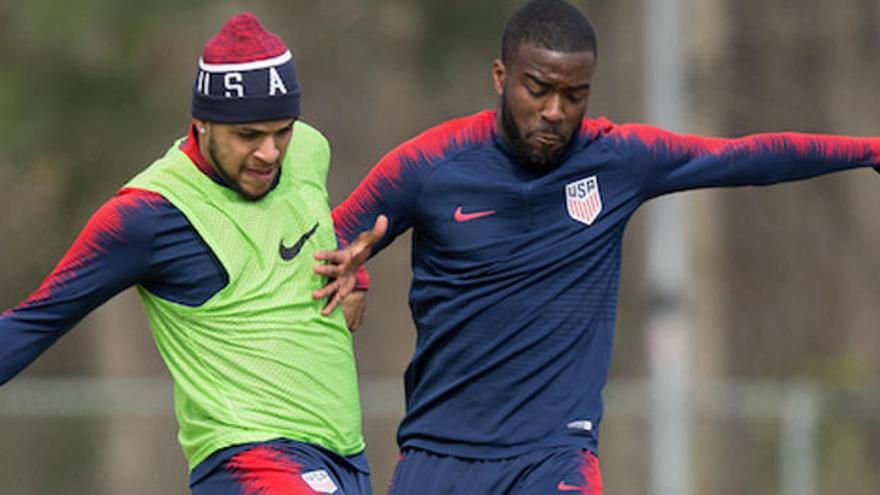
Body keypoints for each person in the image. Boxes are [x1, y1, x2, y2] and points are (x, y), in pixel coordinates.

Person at [314, 1, 880, 493]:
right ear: (500, 76)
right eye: (537, 90)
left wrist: (869, 150)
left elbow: (750, 157)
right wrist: (356, 277)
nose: (555, 111)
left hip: (555, 453)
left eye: (573, 95)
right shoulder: (429, 165)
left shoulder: (619, 161)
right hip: (440, 452)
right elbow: (333, 235)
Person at [0, 12, 383, 495]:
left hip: (344, 455)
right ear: (202, 124)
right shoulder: (148, 215)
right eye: (248, 136)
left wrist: (355, 271)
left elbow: (319, 218)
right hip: (251, 458)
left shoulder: (308, 150)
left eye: (281, 131)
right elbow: (35, 320)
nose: (270, 152)